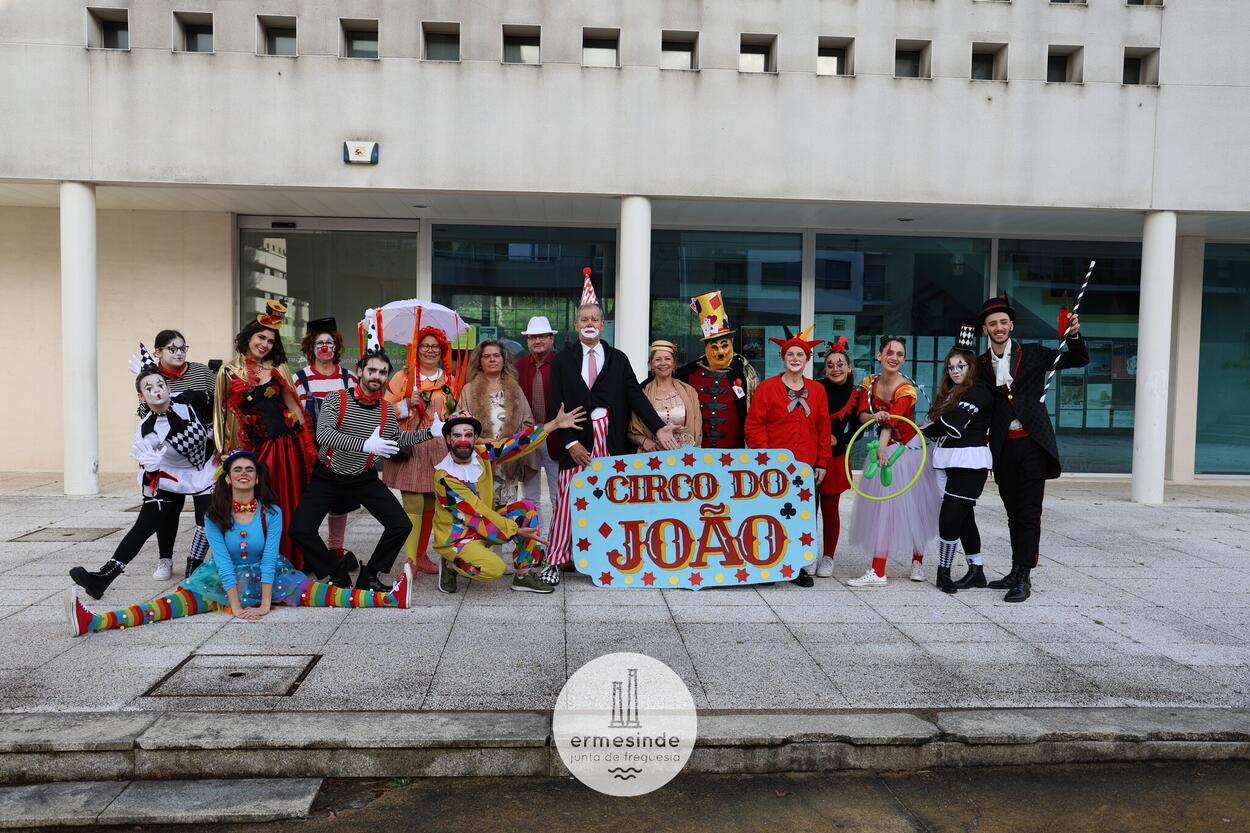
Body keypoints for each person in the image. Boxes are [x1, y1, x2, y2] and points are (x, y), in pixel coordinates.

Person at [66, 450, 413, 637]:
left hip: (271, 579)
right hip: (219, 583)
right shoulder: (215, 513)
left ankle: (390, 599)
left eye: (249, 469)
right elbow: (222, 561)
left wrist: (266, 603)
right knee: (164, 607)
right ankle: (94, 622)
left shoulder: (271, 511)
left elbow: (269, 556)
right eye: (237, 470)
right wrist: (233, 605)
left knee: (325, 595)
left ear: (257, 477)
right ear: (229, 479)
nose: (244, 474)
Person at [545, 275, 679, 567]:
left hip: (611, 443)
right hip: (577, 442)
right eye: (584, 319)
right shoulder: (563, 361)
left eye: (595, 318)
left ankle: (607, 558)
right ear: (576, 325)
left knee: (610, 500)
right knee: (568, 500)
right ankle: (556, 559)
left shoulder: (618, 359)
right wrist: (569, 443)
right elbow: (555, 406)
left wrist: (658, 427)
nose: (589, 323)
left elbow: (635, 396)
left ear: (603, 325)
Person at [290, 349, 439, 591]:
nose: (376, 376)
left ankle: (369, 575)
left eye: (382, 372)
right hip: (329, 474)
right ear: (360, 372)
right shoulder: (336, 399)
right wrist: (365, 444)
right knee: (300, 529)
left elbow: (397, 439)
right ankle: (335, 573)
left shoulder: (385, 409)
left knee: (401, 524)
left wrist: (430, 433)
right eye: (372, 370)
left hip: (363, 477)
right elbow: (324, 435)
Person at [979, 293, 1087, 603]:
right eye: (992, 324)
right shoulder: (982, 364)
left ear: (1011, 325)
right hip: (1003, 448)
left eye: (1003, 322)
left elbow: (1078, 359)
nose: (999, 327)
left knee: (1029, 513)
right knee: (1013, 513)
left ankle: (1024, 576)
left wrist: (1074, 335)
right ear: (985, 329)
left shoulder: (1034, 353)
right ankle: (1015, 569)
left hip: (1032, 446)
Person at [70, 369, 216, 597]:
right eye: (149, 388)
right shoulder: (147, 430)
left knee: (207, 520)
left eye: (160, 384)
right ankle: (104, 577)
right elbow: (149, 483)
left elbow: (223, 406)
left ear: (168, 387)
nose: (157, 390)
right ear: (141, 396)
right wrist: (151, 473)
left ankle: (194, 568)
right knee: (145, 523)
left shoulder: (190, 399)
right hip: (171, 476)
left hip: (206, 469)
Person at [433, 404, 586, 595]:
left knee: (526, 511)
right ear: (448, 439)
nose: (463, 441)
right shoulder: (444, 477)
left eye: (468, 435)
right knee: (494, 569)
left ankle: (523, 575)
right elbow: (477, 512)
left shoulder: (481, 454)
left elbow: (515, 444)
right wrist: (513, 530)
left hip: (483, 528)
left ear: (475, 438)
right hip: (458, 538)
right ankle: (451, 563)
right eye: (457, 435)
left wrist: (554, 424)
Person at [213, 300, 316, 569]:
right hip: (256, 450)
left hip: (287, 447)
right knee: (259, 503)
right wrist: (225, 454)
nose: (265, 344)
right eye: (261, 337)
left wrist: (307, 449)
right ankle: (257, 560)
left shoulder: (278, 369)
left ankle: (291, 559)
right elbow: (221, 416)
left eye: (271, 341)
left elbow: (295, 407)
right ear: (248, 337)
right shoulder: (228, 371)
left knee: (288, 503)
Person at [846, 336, 941, 587]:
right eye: (890, 352)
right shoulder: (869, 382)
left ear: (904, 359)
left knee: (916, 508)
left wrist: (882, 446)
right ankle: (878, 571)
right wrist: (874, 416)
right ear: (879, 356)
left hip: (908, 450)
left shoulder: (907, 389)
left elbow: (893, 421)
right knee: (883, 511)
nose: (894, 358)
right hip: (884, 447)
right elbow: (861, 415)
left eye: (900, 354)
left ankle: (918, 562)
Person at [744, 326, 832, 588]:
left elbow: (823, 428)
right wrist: (767, 457)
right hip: (775, 467)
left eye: (800, 355)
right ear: (783, 357)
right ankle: (771, 566)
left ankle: (797, 566)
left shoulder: (817, 391)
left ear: (807, 359)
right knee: (772, 515)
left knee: (803, 517)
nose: (795, 358)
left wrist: (822, 462)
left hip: (805, 467)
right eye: (790, 354)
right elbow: (754, 425)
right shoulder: (767, 388)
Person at [128, 329, 217, 576]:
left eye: (182, 348)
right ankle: (165, 559)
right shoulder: (150, 377)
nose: (179, 353)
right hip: (166, 456)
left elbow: (220, 402)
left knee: (206, 514)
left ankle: (195, 561)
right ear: (158, 352)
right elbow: (145, 414)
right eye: (172, 349)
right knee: (168, 511)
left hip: (201, 451)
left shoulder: (200, 372)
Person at [921, 326, 995, 593]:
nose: (954, 371)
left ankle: (943, 573)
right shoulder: (950, 393)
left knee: (950, 517)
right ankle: (977, 570)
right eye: (951, 366)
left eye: (960, 366)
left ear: (971, 366)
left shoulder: (979, 391)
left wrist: (925, 428)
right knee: (964, 518)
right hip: (947, 463)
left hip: (970, 463)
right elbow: (935, 423)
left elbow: (952, 423)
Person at [382, 326, 459, 575]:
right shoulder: (403, 377)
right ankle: (410, 560)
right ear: (416, 350)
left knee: (431, 502)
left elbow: (455, 413)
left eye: (435, 347)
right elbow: (383, 411)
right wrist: (405, 404)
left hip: (438, 448)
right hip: (410, 445)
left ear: (442, 351)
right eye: (424, 346)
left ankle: (421, 554)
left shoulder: (449, 380)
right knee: (413, 501)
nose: (429, 351)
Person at [292, 317, 360, 574]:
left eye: (329, 343)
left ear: (336, 347)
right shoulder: (300, 379)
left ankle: (335, 549)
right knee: (311, 503)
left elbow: (358, 412)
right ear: (311, 348)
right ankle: (307, 551)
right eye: (319, 343)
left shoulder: (349, 378)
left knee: (339, 503)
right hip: (310, 451)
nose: (324, 347)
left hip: (342, 451)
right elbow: (295, 417)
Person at [675, 290, 759, 449]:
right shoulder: (689, 373)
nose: (720, 352)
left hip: (734, 453)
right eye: (714, 347)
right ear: (705, 347)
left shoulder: (746, 374)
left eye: (724, 345)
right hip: (697, 453)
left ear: (732, 342)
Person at [461, 339, 536, 511]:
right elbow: (461, 425)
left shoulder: (515, 389)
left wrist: (512, 442)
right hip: (480, 459)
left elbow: (528, 421)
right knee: (480, 509)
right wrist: (482, 441)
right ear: (480, 362)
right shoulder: (469, 390)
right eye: (487, 356)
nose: (492, 359)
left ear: (503, 360)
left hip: (507, 459)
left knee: (502, 511)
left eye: (496, 355)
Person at [812, 336, 861, 579]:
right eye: (830, 365)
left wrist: (840, 440)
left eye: (840, 364)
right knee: (807, 508)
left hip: (836, 457)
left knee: (830, 509)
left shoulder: (857, 395)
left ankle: (828, 557)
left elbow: (859, 428)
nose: (835, 369)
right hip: (810, 456)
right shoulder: (814, 388)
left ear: (849, 367)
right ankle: (806, 554)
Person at [515, 316, 561, 538]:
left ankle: (558, 542)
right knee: (530, 498)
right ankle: (538, 541)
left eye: (542, 336)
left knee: (558, 496)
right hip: (528, 441)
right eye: (533, 337)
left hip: (556, 439)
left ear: (551, 339)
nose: (538, 341)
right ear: (528, 341)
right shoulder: (517, 367)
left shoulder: (563, 365)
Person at [628, 340, 702, 452]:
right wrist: (644, 441)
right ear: (651, 364)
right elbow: (630, 430)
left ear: (674, 363)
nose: (663, 363)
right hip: (651, 456)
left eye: (667, 359)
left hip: (685, 455)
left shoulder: (689, 391)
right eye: (657, 359)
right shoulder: (641, 394)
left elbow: (697, 427)